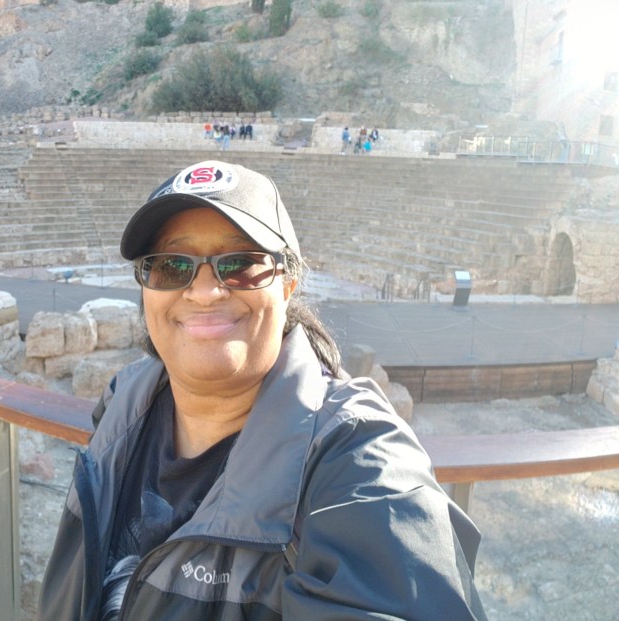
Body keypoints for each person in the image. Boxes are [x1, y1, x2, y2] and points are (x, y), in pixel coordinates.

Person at [37, 160, 486, 620]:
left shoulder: (359, 466)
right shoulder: (122, 402)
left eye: (241, 265)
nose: (205, 291)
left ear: (288, 285)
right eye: (172, 266)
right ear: (146, 287)